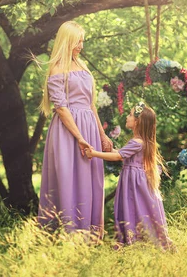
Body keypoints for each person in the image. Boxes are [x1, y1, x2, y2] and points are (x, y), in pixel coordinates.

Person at [37, 21, 113, 237]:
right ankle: (67, 233)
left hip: (89, 126)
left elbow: (90, 104)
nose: (81, 44)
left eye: (82, 40)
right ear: (67, 41)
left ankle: (90, 234)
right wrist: (79, 137)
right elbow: (60, 108)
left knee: (91, 179)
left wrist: (101, 134)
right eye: (78, 40)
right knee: (68, 178)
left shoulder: (82, 66)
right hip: (68, 131)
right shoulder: (57, 69)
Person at [84, 102, 175, 250]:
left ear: (138, 121)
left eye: (130, 114)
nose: (127, 116)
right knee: (134, 206)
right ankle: (133, 238)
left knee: (134, 206)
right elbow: (121, 153)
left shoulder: (137, 142)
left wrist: (94, 154)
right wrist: (109, 149)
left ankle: (134, 238)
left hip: (134, 182)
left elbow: (119, 157)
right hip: (132, 179)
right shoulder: (139, 141)